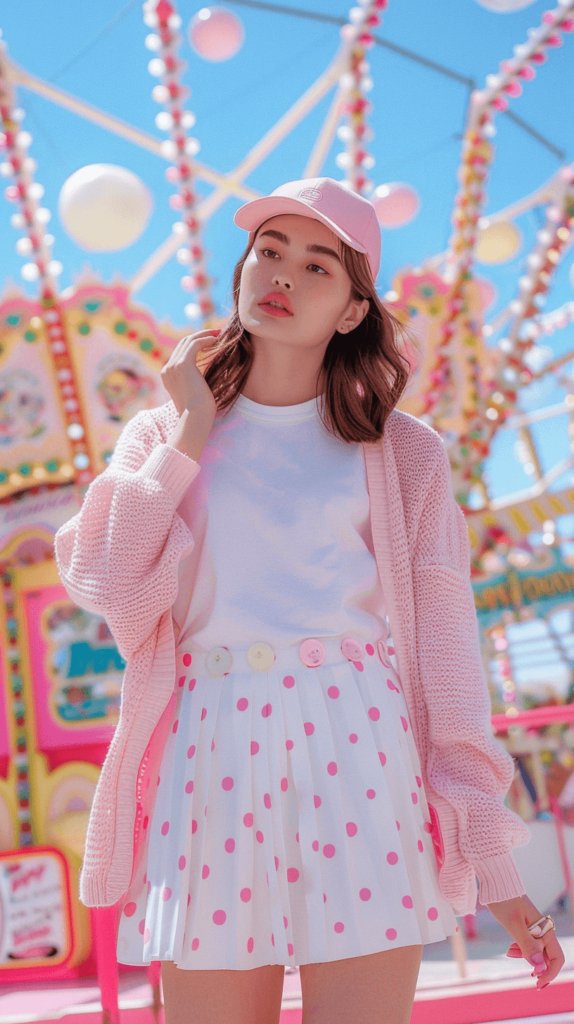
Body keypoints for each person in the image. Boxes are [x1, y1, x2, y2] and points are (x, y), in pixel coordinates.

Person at [54, 177, 564, 1024]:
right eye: (270, 251)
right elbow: (103, 582)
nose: (283, 274)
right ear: (244, 270)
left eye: (317, 264)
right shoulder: (162, 432)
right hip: (207, 746)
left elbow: (445, 659)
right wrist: (185, 436)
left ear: (353, 309)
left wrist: (498, 870)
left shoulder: (403, 453)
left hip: (360, 746)